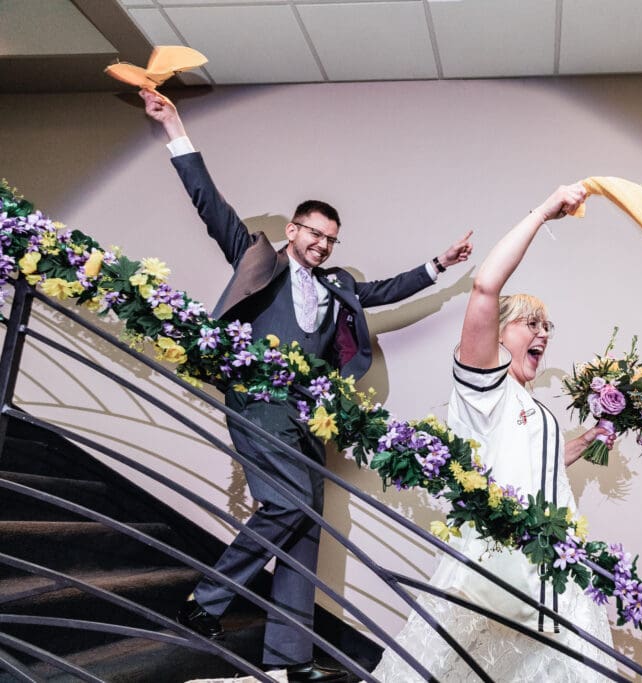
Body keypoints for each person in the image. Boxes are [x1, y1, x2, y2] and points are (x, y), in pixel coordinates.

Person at [140, 90, 473, 682]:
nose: (321, 244)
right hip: (259, 403)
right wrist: (175, 129)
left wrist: (439, 266)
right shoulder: (258, 260)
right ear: (293, 230)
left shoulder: (340, 284)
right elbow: (211, 205)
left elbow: (385, 292)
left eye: (330, 239)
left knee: (305, 522)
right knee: (287, 503)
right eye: (313, 234)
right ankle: (206, 602)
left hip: (308, 418)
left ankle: (289, 660)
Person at [373, 185, 616, 681]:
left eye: (547, 325)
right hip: (500, 557)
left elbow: (536, 465)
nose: (543, 333)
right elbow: (486, 285)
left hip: (553, 559)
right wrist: (545, 212)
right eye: (531, 323)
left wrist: (586, 439)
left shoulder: (529, 405)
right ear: (499, 333)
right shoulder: (484, 390)